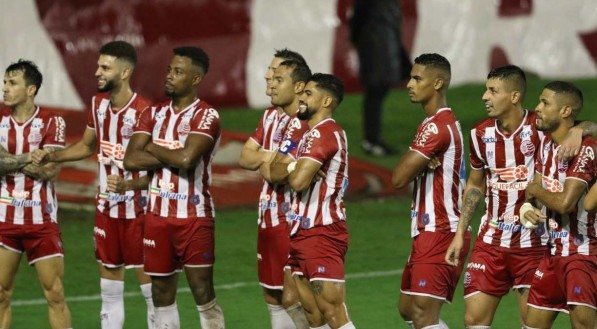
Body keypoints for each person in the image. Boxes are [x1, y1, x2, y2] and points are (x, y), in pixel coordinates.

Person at [444, 66, 594, 328]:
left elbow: (580, 123)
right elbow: (475, 185)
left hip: (535, 243)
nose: (484, 97)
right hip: (491, 240)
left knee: (536, 321)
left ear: (514, 96)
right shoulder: (480, 135)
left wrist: (580, 131)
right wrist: (459, 233)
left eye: (492, 91)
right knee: (473, 319)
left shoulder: (541, 129)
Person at [31, 41, 154, 329]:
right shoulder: (98, 104)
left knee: (152, 292)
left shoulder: (145, 112)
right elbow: (87, 146)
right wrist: (52, 155)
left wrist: (129, 185)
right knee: (109, 291)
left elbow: (160, 167)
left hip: (140, 212)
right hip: (106, 210)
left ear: (124, 72)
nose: (97, 72)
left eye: (105, 67)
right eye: (98, 65)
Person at [123, 46, 225, 329]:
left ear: (195, 79)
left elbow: (188, 158)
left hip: (194, 217)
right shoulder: (152, 114)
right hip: (157, 217)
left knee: (202, 291)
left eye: (178, 72)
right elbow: (131, 159)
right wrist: (171, 151)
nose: (169, 76)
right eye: (170, 69)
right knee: (161, 293)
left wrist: (152, 147)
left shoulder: (206, 116)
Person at [267, 73, 354, 329]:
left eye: (307, 94)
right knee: (313, 315)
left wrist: (293, 170)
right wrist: (297, 165)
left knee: (333, 313)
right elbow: (273, 171)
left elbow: (296, 182)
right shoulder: (309, 135)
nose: (301, 99)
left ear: (326, 101)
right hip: (301, 233)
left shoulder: (325, 133)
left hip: (322, 233)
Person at [393, 53, 467, 329]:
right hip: (426, 230)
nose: (409, 84)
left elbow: (399, 177)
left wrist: (416, 166)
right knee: (408, 309)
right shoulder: (432, 123)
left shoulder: (437, 126)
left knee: (423, 315)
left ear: (437, 83)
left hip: (441, 230)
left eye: (417, 78)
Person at [238, 49, 311, 329]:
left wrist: (266, 160)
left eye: (277, 75)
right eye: (270, 72)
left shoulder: (304, 121)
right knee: (272, 294)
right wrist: (272, 157)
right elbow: (245, 158)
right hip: (266, 218)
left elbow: (277, 173)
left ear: (298, 84)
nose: (269, 78)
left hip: (291, 221)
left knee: (298, 298)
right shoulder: (270, 117)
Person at [0, 60, 72, 328]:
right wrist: (31, 156)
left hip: (41, 219)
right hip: (4, 219)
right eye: (5, 83)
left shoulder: (52, 121)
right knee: (1, 295)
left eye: (12, 83)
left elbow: (50, 170)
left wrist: (11, 159)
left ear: (31, 89)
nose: (5, 89)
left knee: (54, 294)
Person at [522, 81, 595, 329]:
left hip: (582, 254)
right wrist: (527, 206)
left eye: (545, 103)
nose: (537, 108)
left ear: (565, 111)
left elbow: (565, 204)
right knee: (531, 325)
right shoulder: (546, 144)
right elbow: (536, 187)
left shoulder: (586, 149)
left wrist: (533, 190)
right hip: (553, 253)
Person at [350, 0, 411, 156]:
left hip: (378, 44)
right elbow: (358, 16)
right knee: (375, 93)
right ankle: (371, 141)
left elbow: (357, 17)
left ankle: (372, 140)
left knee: (376, 93)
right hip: (377, 45)